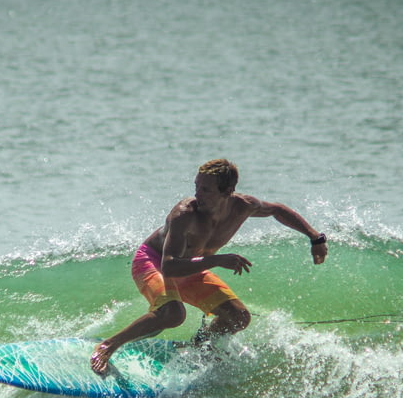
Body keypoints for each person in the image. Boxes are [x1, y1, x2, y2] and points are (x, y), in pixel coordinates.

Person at [90, 158, 328, 376]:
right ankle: (108, 345)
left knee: (238, 317)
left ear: (227, 192)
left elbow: (276, 210)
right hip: (154, 261)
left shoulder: (243, 206)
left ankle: (198, 347)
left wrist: (314, 237)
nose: (197, 194)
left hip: (191, 266)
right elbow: (170, 266)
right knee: (173, 314)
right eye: (196, 186)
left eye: (205, 189)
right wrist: (217, 260)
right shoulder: (185, 214)